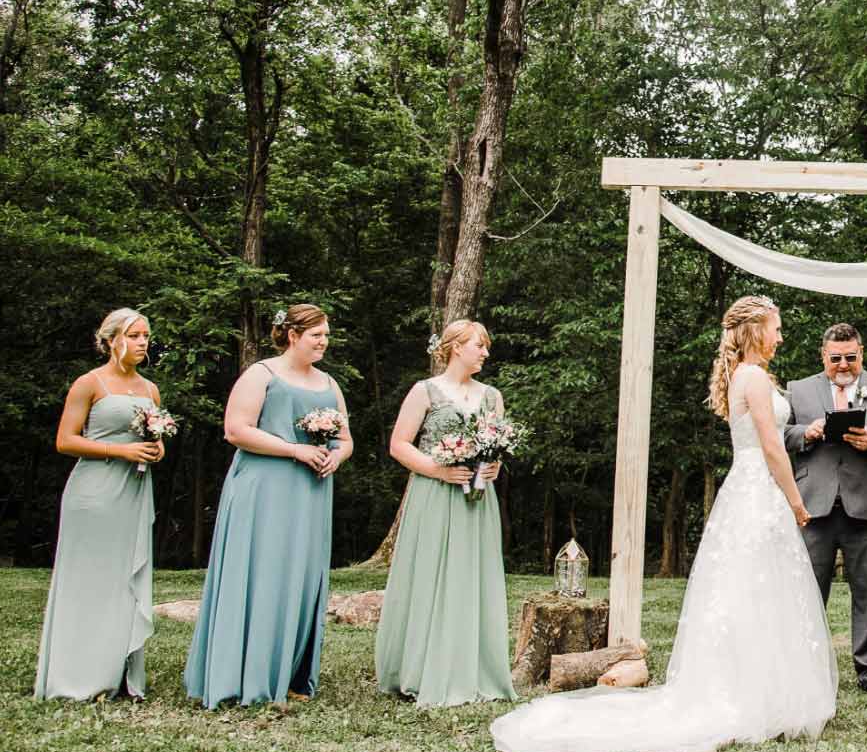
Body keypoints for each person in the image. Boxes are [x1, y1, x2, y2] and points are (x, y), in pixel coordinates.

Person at [491, 295, 836, 752]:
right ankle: (751, 695)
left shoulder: (750, 375)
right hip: (759, 489)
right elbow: (773, 447)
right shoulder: (752, 377)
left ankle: (761, 688)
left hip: (750, 491)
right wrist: (796, 500)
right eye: (775, 328)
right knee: (756, 587)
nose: (780, 336)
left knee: (754, 588)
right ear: (754, 330)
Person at [184, 303, 353, 707]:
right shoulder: (262, 374)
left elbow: (346, 439)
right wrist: (294, 450)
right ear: (292, 335)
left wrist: (336, 455)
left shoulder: (328, 383)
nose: (324, 342)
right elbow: (235, 430)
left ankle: (291, 674)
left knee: (299, 574)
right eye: (317, 335)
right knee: (260, 571)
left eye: (327, 335)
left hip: (311, 493)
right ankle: (241, 674)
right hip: (264, 488)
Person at [375, 320, 515, 706]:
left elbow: (496, 448)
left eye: (486, 346)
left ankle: (474, 669)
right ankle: (421, 667)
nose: (485, 353)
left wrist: (493, 468)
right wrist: (438, 469)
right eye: (479, 346)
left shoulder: (491, 396)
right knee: (432, 576)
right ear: (456, 348)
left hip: (477, 499)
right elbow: (399, 445)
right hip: (435, 494)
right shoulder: (425, 391)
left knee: (473, 577)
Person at [35, 309, 164, 700]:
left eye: (146, 335)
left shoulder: (150, 390)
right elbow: (65, 441)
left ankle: (118, 673)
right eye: (135, 335)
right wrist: (118, 451)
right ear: (110, 341)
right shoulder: (88, 384)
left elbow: (153, 436)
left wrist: (156, 448)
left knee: (123, 581)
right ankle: (78, 675)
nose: (143, 342)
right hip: (93, 493)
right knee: (88, 578)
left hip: (134, 491)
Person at [784, 322, 867, 693]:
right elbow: (775, 434)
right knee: (805, 594)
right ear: (823, 356)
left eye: (850, 358)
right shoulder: (797, 390)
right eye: (835, 358)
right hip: (812, 508)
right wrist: (804, 433)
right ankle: (804, 669)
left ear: (861, 354)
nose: (842, 365)